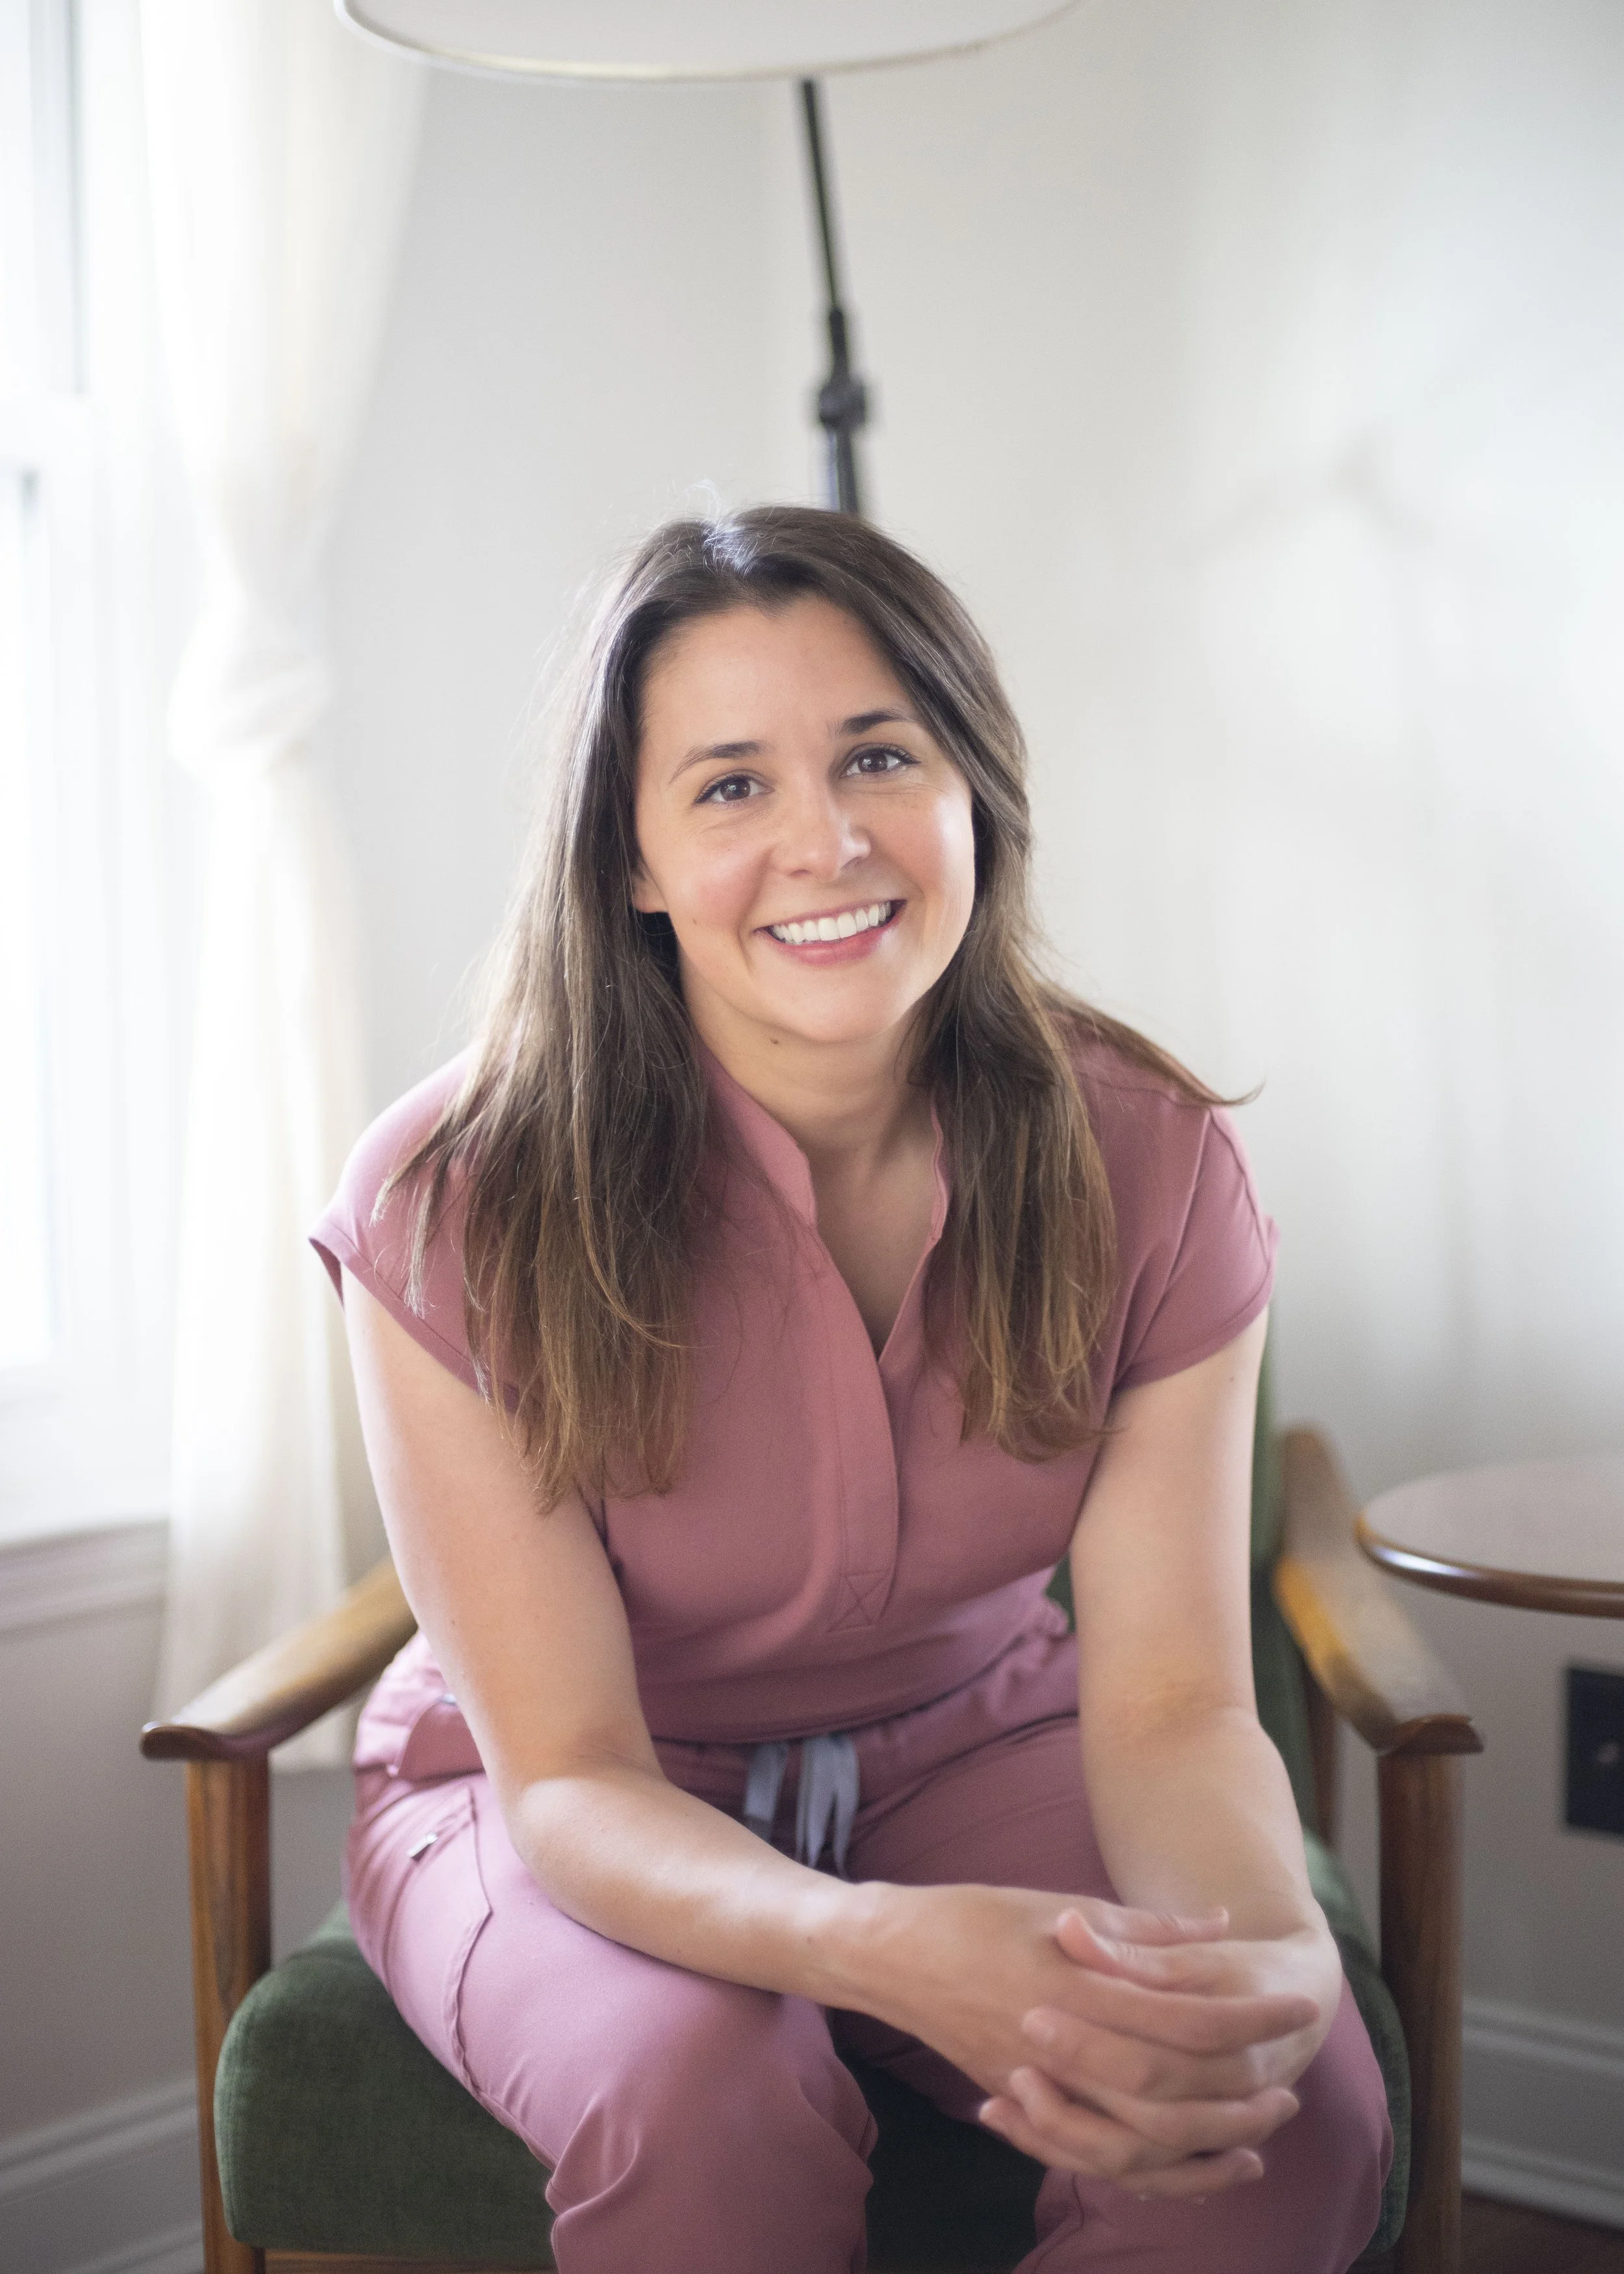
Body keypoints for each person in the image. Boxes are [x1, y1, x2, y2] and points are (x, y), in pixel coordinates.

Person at [312, 507, 1389, 2274]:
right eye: (727, 786)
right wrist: (878, 1943)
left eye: (877, 754)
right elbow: (570, 1769)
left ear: (973, 786)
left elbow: (1176, 1698)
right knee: (703, 2100)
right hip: (564, 1788)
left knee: (1278, 2125)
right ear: (633, 860)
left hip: (976, 1745)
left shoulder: (1154, 1156)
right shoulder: (448, 1193)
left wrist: (1260, 1954)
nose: (825, 840)